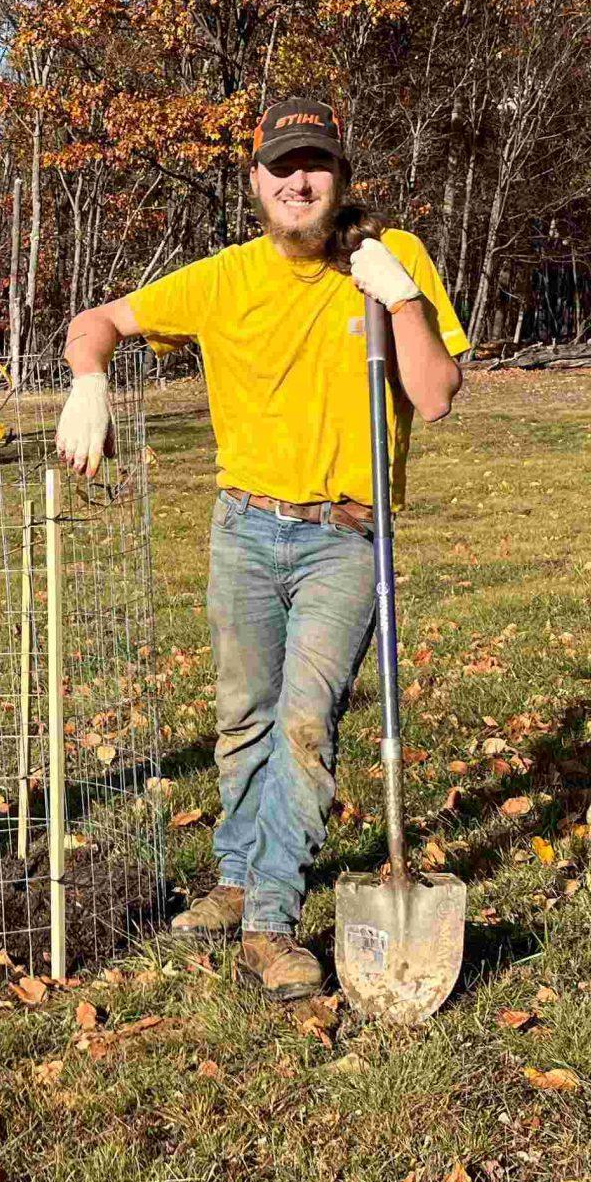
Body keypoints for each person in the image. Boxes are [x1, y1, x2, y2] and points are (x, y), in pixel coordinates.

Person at [56, 97, 468, 1000]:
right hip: (242, 528)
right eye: (282, 166)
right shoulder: (224, 278)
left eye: (315, 164)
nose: (298, 181)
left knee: (305, 725)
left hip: (347, 535)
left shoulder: (391, 264)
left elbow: (435, 396)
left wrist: (399, 298)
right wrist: (90, 383)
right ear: (256, 182)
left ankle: (271, 921)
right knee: (244, 719)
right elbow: (99, 321)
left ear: (341, 177)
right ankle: (239, 878)